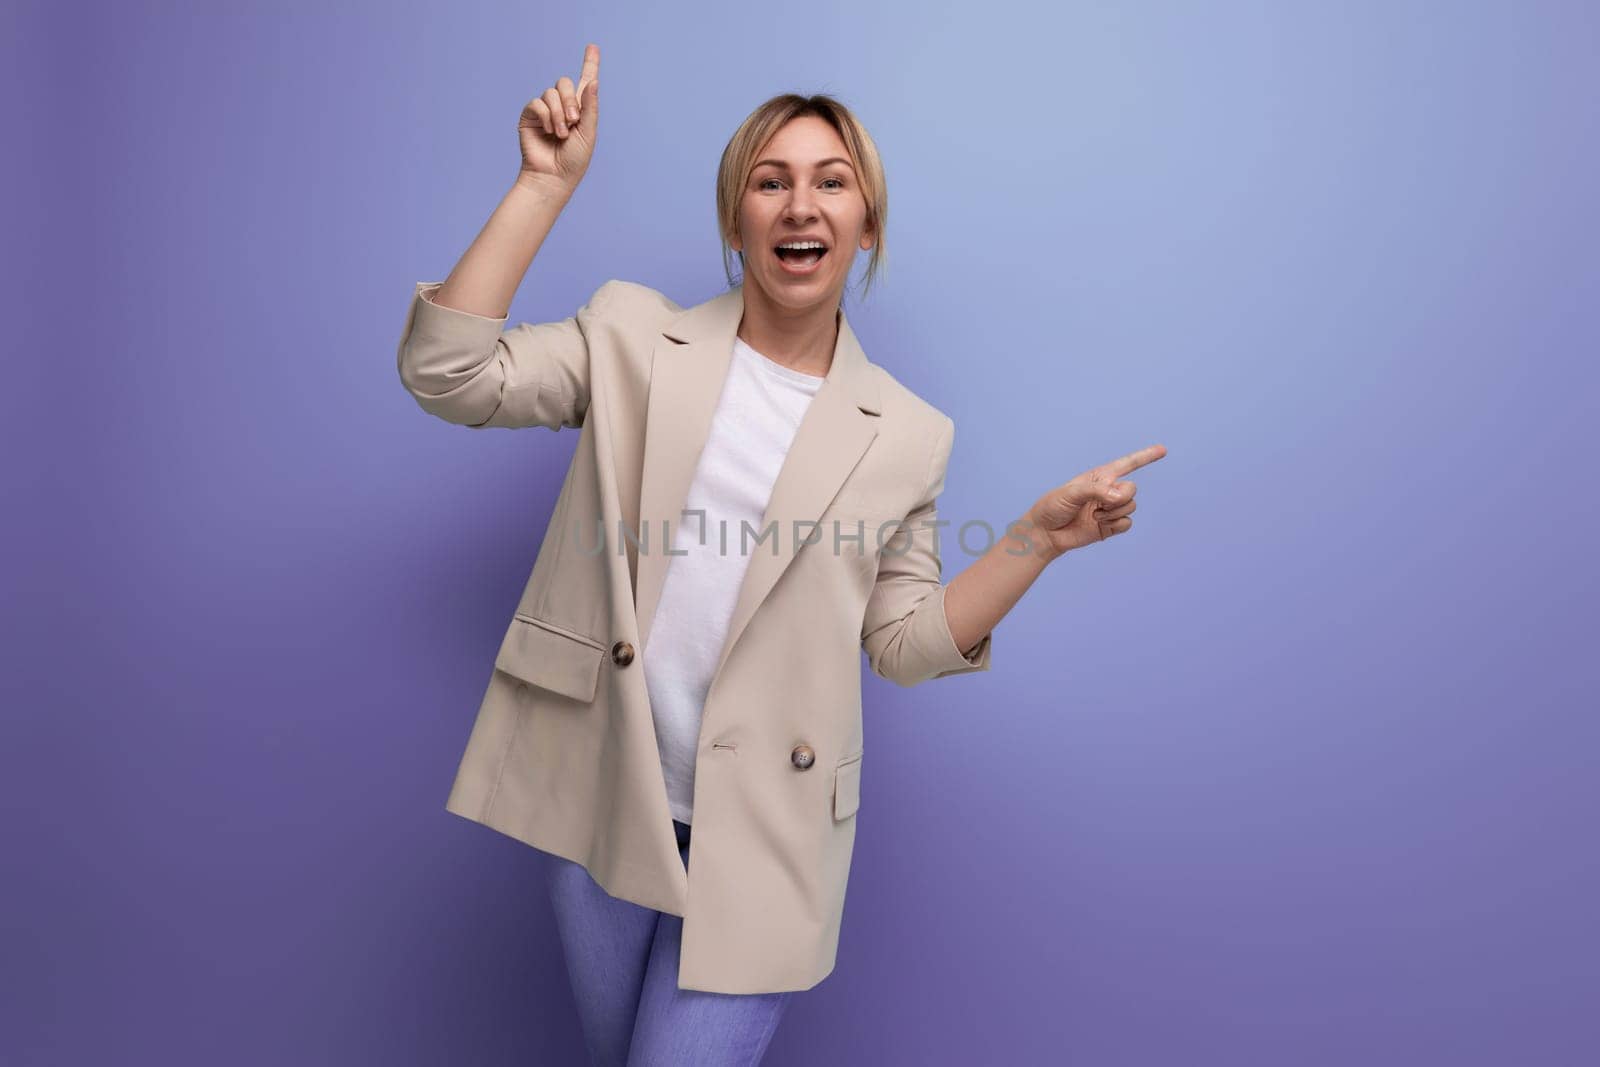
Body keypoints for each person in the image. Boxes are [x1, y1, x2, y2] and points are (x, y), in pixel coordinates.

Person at [398, 42, 1166, 1067]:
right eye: (771, 181)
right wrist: (543, 186)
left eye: (830, 182)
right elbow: (448, 372)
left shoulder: (905, 431)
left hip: (769, 829)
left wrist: (1035, 541)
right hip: (604, 794)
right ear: (737, 220)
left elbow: (902, 641)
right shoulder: (631, 336)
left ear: (865, 225)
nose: (800, 204)